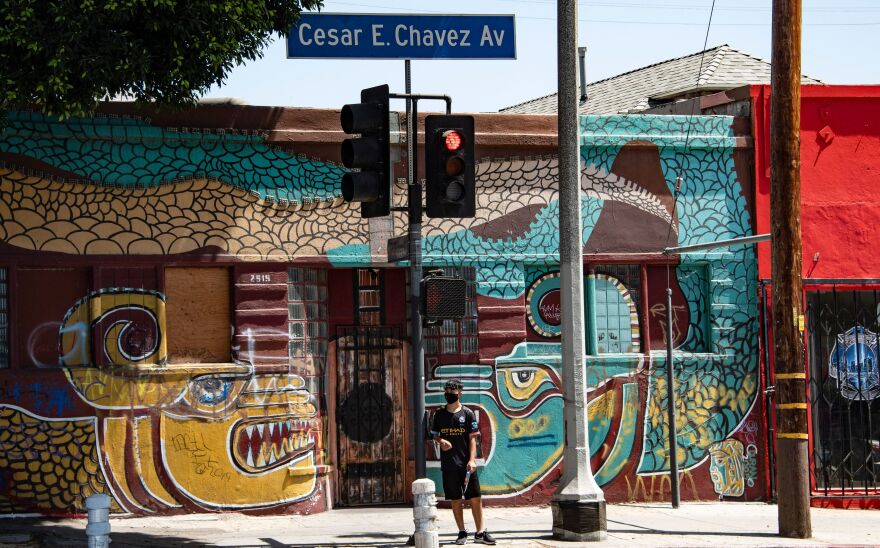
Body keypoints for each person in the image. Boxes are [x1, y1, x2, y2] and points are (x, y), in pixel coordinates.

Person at [430, 379, 497, 545]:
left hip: (467, 465)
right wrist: (441, 441)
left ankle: (480, 532)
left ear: (460, 393)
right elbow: (434, 434)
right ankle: (461, 532)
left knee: (475, 497)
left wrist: (472, 460)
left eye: (452, 391)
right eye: (446, 391)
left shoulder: (467, 414)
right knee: (455, 499)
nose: (448, 394)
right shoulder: (439, 414)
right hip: (449, 464)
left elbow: (473, 439)